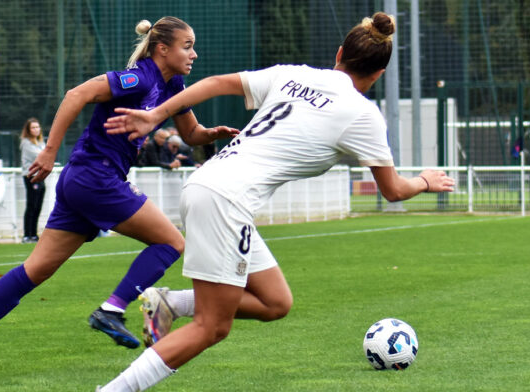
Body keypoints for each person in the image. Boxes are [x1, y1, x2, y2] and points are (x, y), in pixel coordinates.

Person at [99, 12, 456, 390]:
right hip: (226, 201)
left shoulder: (295, 74)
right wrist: (425, 181)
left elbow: (218, 82)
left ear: (339, 54)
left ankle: (169, 303)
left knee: (274, 302)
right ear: (379, 74)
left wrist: (156, 113)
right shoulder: (363, 114)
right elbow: (394, 190)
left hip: (207, 185)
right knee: (211, 327)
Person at [0, 16, 238, 374]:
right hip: (96, 177)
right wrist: (50, 150)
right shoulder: (139, 77)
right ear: (162, 49)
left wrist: (213, 134)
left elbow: (191, 134)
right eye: (187, 46)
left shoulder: (174, 86)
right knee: (172, 244)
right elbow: (76, 94)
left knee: (36, 269)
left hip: (84, 181)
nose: (194, 54)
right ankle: (111, 310)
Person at [19, 118, 45, 243]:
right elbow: (40, 156)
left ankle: (34, 234)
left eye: (37, 127)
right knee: (31, 205)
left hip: (41, 176)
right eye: (33, 127)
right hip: (31, 176)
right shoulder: (26, 143)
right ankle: (27, 234)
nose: (36, 130)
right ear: (28, 130)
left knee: (38, 206)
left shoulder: (40, 142)